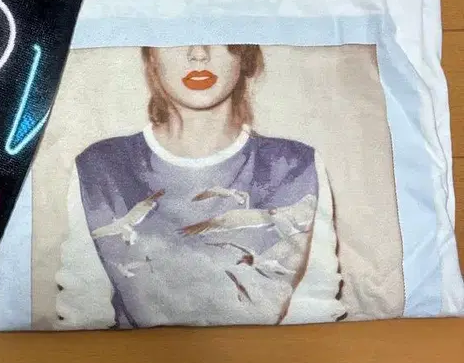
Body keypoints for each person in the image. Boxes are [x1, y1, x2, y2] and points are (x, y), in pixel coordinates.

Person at [55, 44, 345, 328]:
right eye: (174, 37)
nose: (198, 53)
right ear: (151, 54)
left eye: (218, 34)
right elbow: (83, 317)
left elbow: (314, 314)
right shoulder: (101, 167)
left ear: (244, 52)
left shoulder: (295, 167)